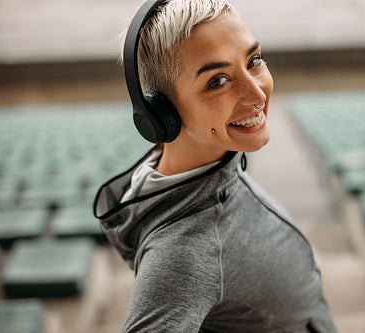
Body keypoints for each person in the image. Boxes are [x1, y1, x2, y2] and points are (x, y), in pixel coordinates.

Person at [93, 0, 336, 332]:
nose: (257, 93)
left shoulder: (215, 162)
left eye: (254, 61)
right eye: (217, 81)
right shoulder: (181, 257)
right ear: (162, 114)